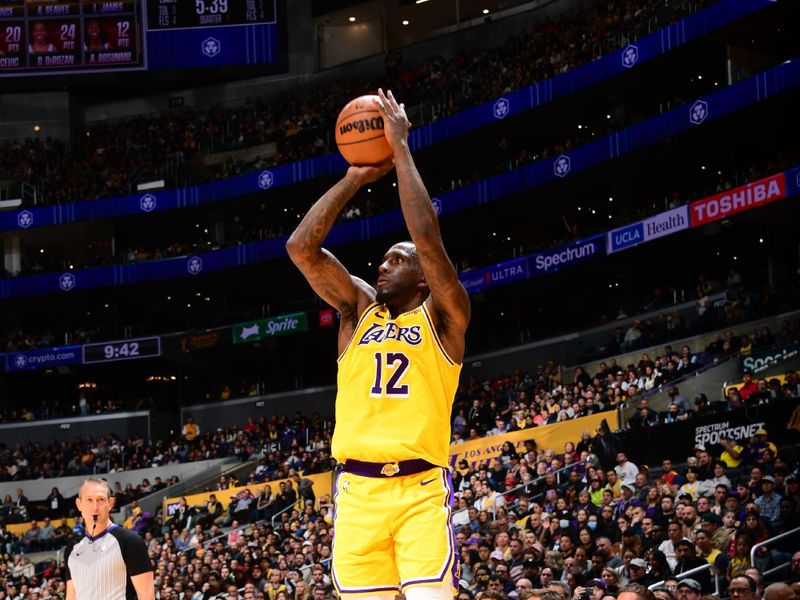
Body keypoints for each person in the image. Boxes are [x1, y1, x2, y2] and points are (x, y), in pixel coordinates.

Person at [286, 88, 470, 600]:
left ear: (424, 278)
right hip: (357, 492)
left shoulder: (445, 316)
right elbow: (301, 249)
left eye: (396, 260)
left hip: (419, 491)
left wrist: (401, 148)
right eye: (383, 260)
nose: (382, 266)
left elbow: (428, 241)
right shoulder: (358, 312)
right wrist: (353, 178)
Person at [65, 477, 154, 600]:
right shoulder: (72, 548)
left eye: (101, 500)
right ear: (79, 504)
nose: (95, 507)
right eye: (89, 500)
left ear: (111, 503)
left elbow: (147, 596)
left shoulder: (130, 541)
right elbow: (71, 596)